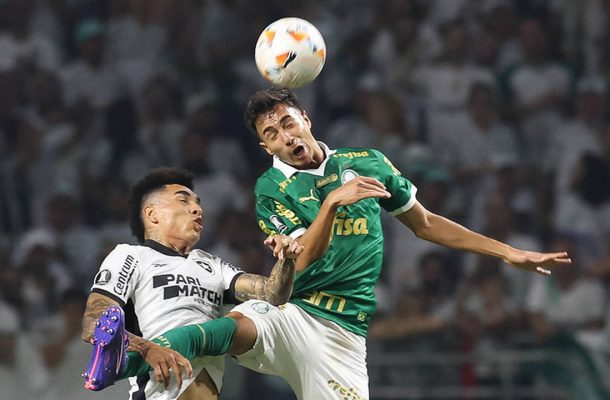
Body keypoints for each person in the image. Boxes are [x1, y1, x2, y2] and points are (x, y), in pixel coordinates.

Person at [91, 88, 571, 400]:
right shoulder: (271, 189)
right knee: (229, 327)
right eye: (271, 134)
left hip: (344, 335)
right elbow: (307, 254)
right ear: (267, 148)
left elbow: (425, 224)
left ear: (305, 117)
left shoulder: (369, 161)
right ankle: (122, 358)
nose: (285, 136)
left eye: (287, 123)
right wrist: (333, 204)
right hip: (297, 312)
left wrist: (508, 252)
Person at [81, 167, 303, 400]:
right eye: (183, 201)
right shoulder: (131, 255)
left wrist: (286, 259)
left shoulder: (212, 264)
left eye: (197, 202)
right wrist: (147, 348)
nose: (197, 209)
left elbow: (273, 294)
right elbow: (93, 323)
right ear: (152, 214)